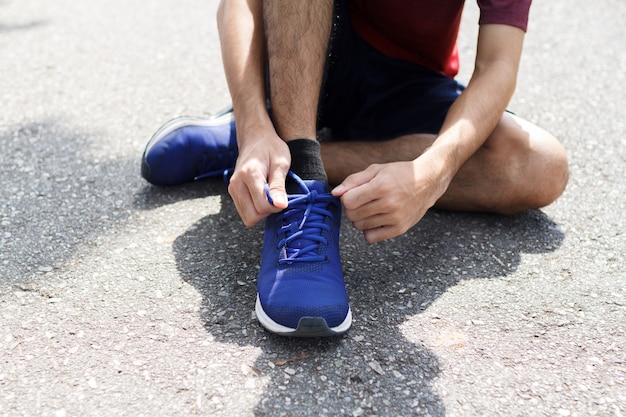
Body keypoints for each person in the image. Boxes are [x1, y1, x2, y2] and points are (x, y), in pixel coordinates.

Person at [141, 0, 569, 337]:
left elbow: (499, 65)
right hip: (302, 56)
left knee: (539, 166)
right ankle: (291, 171)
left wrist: (431, 173)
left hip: (405, 83)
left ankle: (265, 160)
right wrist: (253, 125)